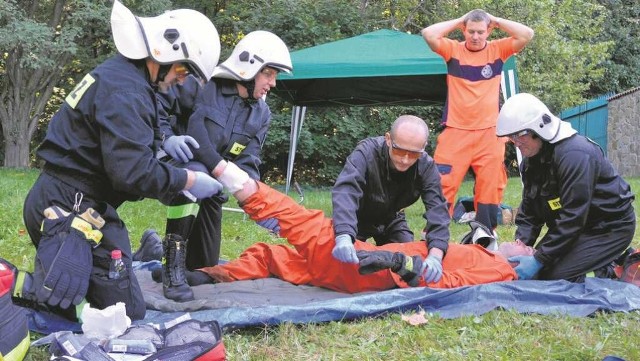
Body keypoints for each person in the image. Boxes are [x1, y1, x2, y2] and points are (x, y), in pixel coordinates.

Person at [21, 0, 222, 320]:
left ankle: (117, 259)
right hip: (67, 207)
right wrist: (189, 180)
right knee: (88, 311)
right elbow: (132, 173)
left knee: (127, 307)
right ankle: (29, 291)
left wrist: (164, 145)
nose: (181, 80)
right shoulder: (126, 90)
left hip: (88, 206)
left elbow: (129, 145)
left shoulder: (129, 80)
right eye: (182, 69)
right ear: (162, 52)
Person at [153, 161, 518, 293]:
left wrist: (397, 261)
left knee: (303, 222)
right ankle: (208, 275)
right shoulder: (484, 251)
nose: (526, 244)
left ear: (519, 262)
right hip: (364, 260)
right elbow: (345, 191)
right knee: (274, 257)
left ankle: (222, 171)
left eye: (528, 248)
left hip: (374, 267)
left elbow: (448, 283)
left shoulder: (499, 269)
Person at [147, 31, 293, 281]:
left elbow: (249, 161)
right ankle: (171, 263)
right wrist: (166, 138)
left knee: (204, 267)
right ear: (248, 68)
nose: (273, 83)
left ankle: (155, 252)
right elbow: (152, 100)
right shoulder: (199, 82)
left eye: (275, 76)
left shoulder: (262, 115)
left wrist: (255, 201)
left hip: (212, 183)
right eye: (268, 74)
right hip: (174, 168)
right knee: (197, 171)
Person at [496, 93, 636, 282]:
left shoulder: (575, 155)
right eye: (512, 137)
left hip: (609, 228)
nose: (516, 142)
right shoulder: (530, 163)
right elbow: (530, 212)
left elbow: (573, 216)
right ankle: (591, 260)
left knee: (552, 276)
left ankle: (615, 264)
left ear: (540, 128)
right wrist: (521, 244)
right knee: (538, 271)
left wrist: (539, 259)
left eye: (520, 134)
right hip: (574, 227)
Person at [421, 9, 534, 231]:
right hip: (455, 132)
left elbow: (527, 34)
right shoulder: (452, 50)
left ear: (488, 30)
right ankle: (433, 233)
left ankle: (485, 233)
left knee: (491, 186)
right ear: (464, 30)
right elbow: (428, 34)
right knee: (443, 184)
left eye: (480, 32)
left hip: (490, 133)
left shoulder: (498, 50)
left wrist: (497, 20)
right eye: (471, 31)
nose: (475, 36)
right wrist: (458, 21)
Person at [331, 115, 450, 284]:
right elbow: (345, 191)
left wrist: (436, 256)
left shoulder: (426, 166)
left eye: (414, 154)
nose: (405, 159)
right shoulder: (365, 153)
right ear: (388, 139)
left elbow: (438, 210)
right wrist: (343, 234)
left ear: (423, 149)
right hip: (357, 218)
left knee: (410, 265)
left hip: (392, 219)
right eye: (399, 150)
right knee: (341, 267)